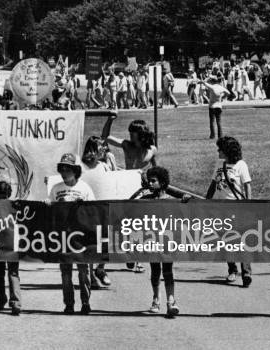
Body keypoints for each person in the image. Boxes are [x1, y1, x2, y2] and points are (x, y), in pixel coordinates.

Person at [130, 166, 190, 316]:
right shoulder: (146, 200)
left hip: (167, 241)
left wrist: (185, 201)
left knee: (168, 271)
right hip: (152, 240)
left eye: (153, 181)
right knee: (155, 270)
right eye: (149, 181)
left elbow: (184, 216)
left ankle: (171, 300)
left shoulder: (172, 201)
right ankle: (156, 298)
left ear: (162, 183)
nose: (150, 184)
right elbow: (129, 207)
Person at [102, 117, 156, 272]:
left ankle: (136, 258)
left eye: (133, 133)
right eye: (130, 133)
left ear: (142, 133)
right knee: (123, 225)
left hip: (143, 189)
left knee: (139, 225)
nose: (131, 136)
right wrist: (110, 120)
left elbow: (156, 168)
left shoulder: (152, 149)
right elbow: (106, 138)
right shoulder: (126, 145)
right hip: (126, 187)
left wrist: (157, 185)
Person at [49, 153, 95, 314]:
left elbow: (94, 211)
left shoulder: (84, 188)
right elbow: (50, 212)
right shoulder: (56, 189)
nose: (64, 172)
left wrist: (82, 208)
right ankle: (69, 303)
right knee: (66, 272)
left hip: (81, 237)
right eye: (61, 168)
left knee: (84, 271)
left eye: (67, 168)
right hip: (63, 236)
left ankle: (85, 302)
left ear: (75, 170)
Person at [205, 136, 252, 287]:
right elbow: (213, 183)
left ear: (227, 151)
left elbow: (247, 186)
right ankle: (232, 269)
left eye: (220, 149)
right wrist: (206, 201)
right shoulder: (220, 163)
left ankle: (246, 272)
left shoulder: (241, 165)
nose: (218, 151)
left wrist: (248, 204)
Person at [80, 136, 114, 289]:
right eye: (101, 148)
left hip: (105, 209)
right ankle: (91, 275)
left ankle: (101, 269)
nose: (104, 151)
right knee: (91, 244)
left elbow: (116, 182)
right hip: (88, 209)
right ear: (92, 149)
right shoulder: (80, 166)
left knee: (107, 242)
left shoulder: (104, 166)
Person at [0, 181, 22, 315]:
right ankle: (2, 299)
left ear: (8, 195)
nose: (2, 198)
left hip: (11, 245)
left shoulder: (15, 206)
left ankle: (15, 301)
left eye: (4, 195)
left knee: (12, 272)